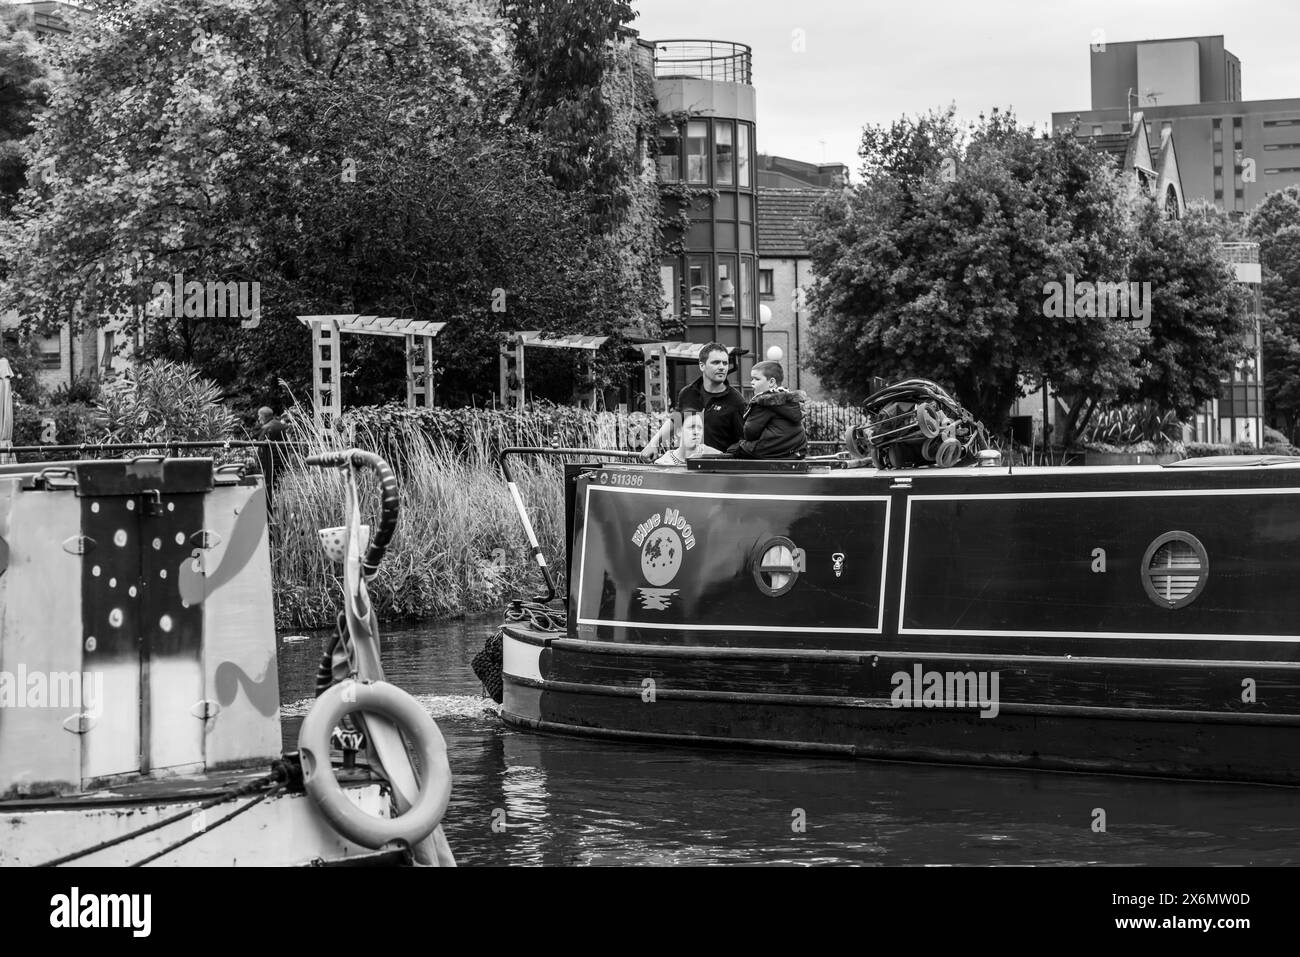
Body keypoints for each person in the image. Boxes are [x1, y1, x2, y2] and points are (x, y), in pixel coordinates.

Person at [640, 342, 744, 461]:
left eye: (725, 363)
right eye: (716, 362)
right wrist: (653, 444)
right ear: (702, 366)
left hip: (718, 468)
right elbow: (676, 421)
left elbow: (744, 442)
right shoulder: (688, 393)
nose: (722, 367)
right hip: (687, 466)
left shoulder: (736, 401)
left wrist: (720, 455)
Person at [727, 361, 808, 459]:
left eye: (756, 379)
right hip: (795, 451)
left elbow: (750, 433)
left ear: (771, 382)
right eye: (752, 379)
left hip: (770, 449)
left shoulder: (764, 402)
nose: (752, 382)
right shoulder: (789, 401)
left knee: (734, 450)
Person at [655, 408, 723, 465]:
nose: (696, 432)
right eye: (691, 427)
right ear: (679, 431)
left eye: (699, 428)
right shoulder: (663, 463)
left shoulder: (715, 456)